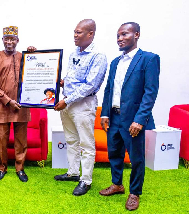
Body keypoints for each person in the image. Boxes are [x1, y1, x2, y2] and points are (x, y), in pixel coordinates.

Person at [99, 22, 160, 211]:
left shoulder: (149, 59)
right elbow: (109, 89)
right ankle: (117, 185)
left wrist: (140, 119)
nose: (120, 38)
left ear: (137, 35)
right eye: (118, 35)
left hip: (134, 120)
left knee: (136, 158)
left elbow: (150, 92)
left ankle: (134, 193)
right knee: (114, 154)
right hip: (114, 118)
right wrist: (105, 113)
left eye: (124, 34)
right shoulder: (115, 62)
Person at [54, 19, 107, 196]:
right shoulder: (74, 53)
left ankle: (86, 180)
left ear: (90, 34)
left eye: (79, 32)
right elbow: (75, 79)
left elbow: (90, 85)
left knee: (86, 143)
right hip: (67, 103)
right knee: (71, 140)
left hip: (82, 105)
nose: (75, 36)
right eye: (74, 32)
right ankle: (73, 172)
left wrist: (67, 100)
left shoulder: (98, 56)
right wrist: (63, 84)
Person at [0, 26, 36, 182]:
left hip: (21, 106)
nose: (9, 42)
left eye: (12, 39)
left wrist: (34, 55)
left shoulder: (24, 57)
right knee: (1, 139)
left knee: (21, 140)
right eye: (7, 39)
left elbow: (37, 72)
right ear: (3, 40)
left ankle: (20, 168)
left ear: (17, 41)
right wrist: (8, 101)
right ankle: (2, 167)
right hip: (2, 106)